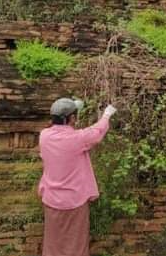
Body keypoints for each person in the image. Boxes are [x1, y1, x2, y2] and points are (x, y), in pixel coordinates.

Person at [38, 98, 117, 256]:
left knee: (53, 245)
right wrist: (107, 114)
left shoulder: (44, 136)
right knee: (76, 246)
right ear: (72, 118)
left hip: (51, 200)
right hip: (74, 202)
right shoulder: (76, 139)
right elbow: (96, 131)